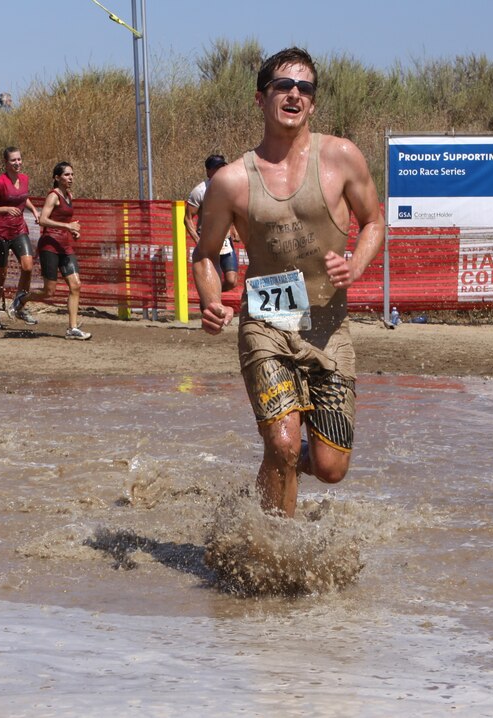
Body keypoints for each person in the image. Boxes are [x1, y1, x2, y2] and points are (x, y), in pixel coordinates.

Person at [192, 47, 384, 518]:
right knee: (282, 441)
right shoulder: (232, 181)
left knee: (331, 466)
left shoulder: (341, 157)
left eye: (304, 88)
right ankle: (274, 550)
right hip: (267, 321)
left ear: (313, 103)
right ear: (261, 99)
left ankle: (277, 474)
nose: (294, 94)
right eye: (283, 85)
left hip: (329, 326)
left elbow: (374, 222)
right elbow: (204, 253)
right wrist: (212, 300)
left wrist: (356, 265)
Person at [14, 162, 91, 340]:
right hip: (49, 245)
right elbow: (42, 220)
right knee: (49, 291)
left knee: (76, 285)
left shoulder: (69, 195)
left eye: (72, 174)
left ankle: (72, 328)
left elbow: (66, 222)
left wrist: (73, 231)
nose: (70, 178)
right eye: (66, 175)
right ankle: (23, 299)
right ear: (57, 178)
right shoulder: (53, 196)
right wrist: (67, 225)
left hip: (65, 246)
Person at [0, 146, 40, 329]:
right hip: (0, 234)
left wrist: (34, 210)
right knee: (1, 276)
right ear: (6, 163)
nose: (17, 163)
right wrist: (5, 209)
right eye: (13, 160)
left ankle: (20, 306)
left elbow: (23, 197)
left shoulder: (24, 179)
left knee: (28, 267)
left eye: (19, 159)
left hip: (19, 230)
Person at [186, 154, 239, 292]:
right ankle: (209, 300)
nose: (221, 171)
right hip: (207, 241)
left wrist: (234, 228)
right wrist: (198, 240)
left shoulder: (229, 188)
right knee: (213, 277)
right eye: (217, 168)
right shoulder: (199, 191)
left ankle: (210, 295)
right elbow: (187, 219)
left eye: (223, 167)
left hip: (225, 241)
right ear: (208, 171)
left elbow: (233, 210)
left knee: (231, 281)